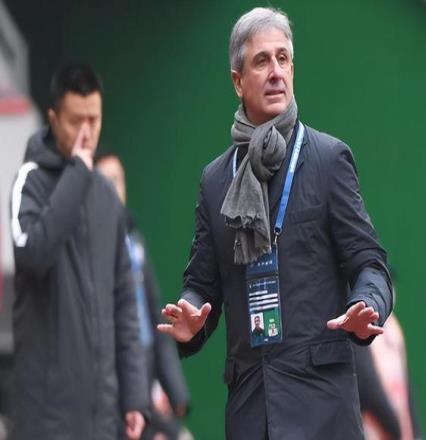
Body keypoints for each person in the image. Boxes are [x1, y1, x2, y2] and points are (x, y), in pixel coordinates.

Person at [159, 7, 393, 440]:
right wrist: (191, 317)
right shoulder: (216, 180)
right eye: (262, 61)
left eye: (283, 59)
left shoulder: (328, 160)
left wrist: (369, 303)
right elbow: (202, 285)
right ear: (237, 81)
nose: (275, 72)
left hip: (323, 413)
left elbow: (370, 264)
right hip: (251, 413)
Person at [9, 64, 148, 440]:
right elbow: (32, 254)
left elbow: (125, 301)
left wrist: (134, 397)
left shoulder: (106, 197)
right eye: (76, 122)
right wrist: (77, 173)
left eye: (94, 120)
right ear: (54, 119)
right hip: (46, 418)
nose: (86, 133)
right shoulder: (29, 182)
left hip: (101, 415)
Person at [96, 152, 193, 440]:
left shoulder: (134, 242)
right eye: (105, 181)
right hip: (116, 389)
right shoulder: (90, 250)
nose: (113, 188)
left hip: (146, 372)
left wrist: (174, 390)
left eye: (117, 179)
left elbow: (155, 317)